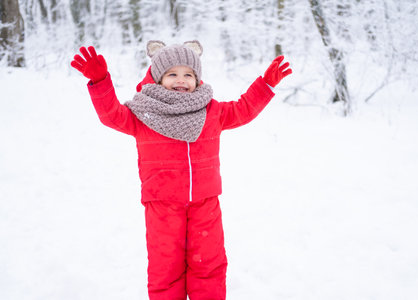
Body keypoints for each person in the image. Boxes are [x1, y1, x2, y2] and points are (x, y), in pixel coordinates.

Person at [71, 40, 292, 300]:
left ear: (197, 79)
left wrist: (265, 85)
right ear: (157, 77)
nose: (181, 80)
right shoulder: (144, 113)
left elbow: (243, 110)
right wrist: (100, 82)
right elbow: (112, 115)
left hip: (205, 204)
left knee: (209, 265)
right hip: (162, 205)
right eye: (172, 74)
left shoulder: (211, 111)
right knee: (165, 270)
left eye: (188, 74)